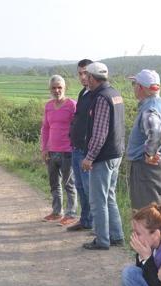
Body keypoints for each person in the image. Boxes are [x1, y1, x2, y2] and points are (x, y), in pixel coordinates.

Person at [80, 62, 126, 251]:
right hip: (116, 153)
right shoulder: (115, 94)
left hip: (103, 156)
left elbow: (99, 134)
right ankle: (116, 236)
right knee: (109, 197)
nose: (85, 80)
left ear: (92, 77)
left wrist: (89, 157)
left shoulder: (100, 98)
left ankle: (102, 240)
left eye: (87, 77)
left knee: (98, 200)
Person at [126, 69, 161, 210]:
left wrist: (150, 154)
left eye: (134, 84)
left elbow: (157, 132)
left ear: (140, 87)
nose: (134, 88)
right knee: (155, 211)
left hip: (147, 168)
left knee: (146, 215)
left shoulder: (149, 109)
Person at [40, 75, 78, 226]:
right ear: (50, 89)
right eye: (54, 88)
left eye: (59, 87)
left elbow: (78, 128)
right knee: (54, 184)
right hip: (52, 151)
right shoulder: (48, 106)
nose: (57, 90)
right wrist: (44, 148)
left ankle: (71, 214)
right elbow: (46, 128)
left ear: (65, 88)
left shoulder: (72, 105)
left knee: (69, 184)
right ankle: (57, 212)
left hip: (68, 152)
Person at [66, 59, 94, 232]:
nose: (83, 77)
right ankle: (85, 220)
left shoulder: (97, 94)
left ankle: (93, 223)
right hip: (76, 147)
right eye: (80, 73)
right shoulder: (83, 93)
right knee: (80, 187)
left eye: (86, 73)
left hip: (87, 149)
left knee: (89, 188)